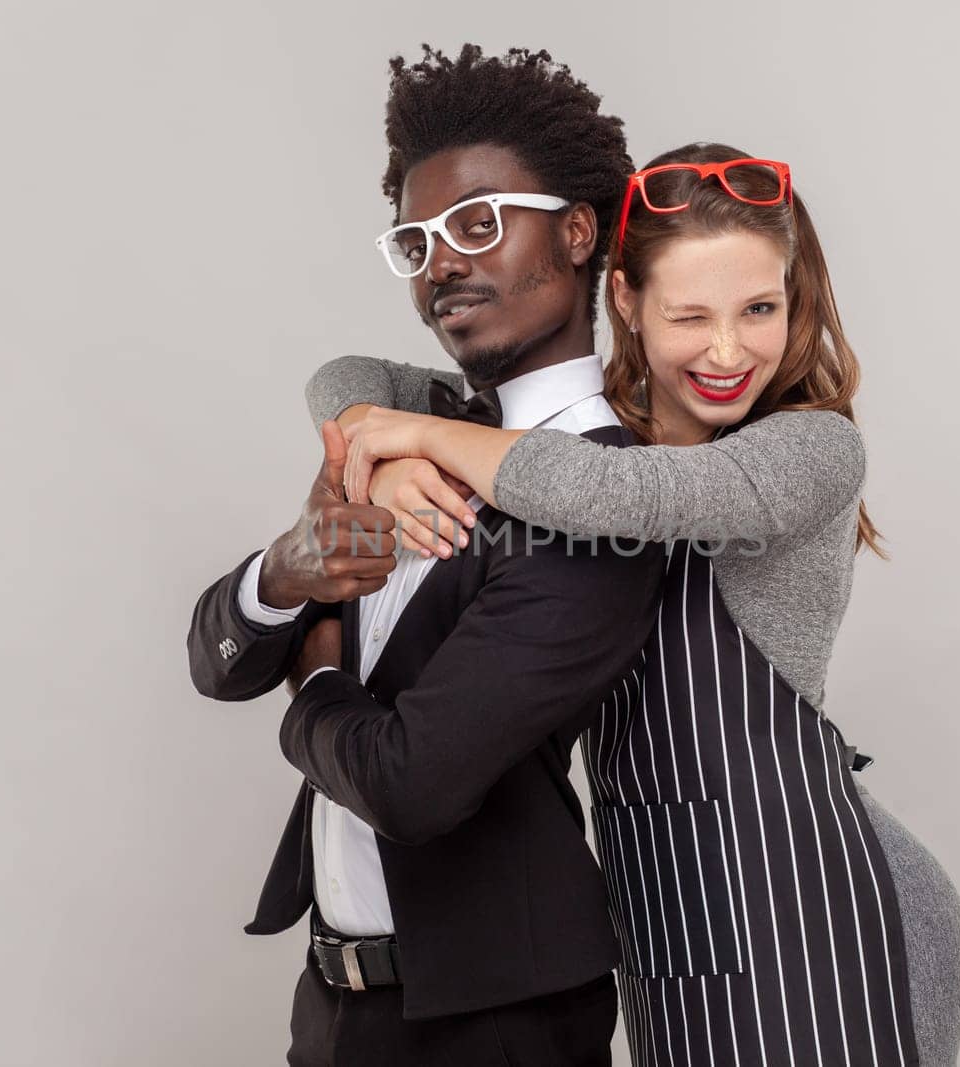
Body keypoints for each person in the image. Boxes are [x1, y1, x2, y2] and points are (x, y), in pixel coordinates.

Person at [301, 144, 960, 1066]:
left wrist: (412, 434)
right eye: (690, 315)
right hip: (665, 923)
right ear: (626, 301)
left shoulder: (810, 452)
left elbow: (620, 496)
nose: (729, 350)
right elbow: (345, 376)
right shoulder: (562, 442)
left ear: (795, 301)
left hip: (812, 911)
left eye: (761, 310)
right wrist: (385, 447)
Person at [185, 45, 666, 1065]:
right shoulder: (405, 430)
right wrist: (289, 572)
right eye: (417, 239)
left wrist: (315, 672)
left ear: (578, 233)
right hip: (335, 1002)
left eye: (479, 223)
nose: (441, 261)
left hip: (493, 1020)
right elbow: (216, 660)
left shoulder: (602, 495)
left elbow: (411, 783)